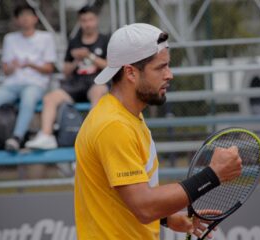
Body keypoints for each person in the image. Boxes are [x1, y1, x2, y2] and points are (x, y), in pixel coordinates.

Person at [74, 23, 242, 239]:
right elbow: (144, 206)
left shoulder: (124, 115)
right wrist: (213, 174)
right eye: (160, 67)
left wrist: (167, 218)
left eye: (168, 66)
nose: (169, 75)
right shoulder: (114, 126)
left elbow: (125, 195)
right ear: (130, 73)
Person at [0, 4, 56, 153]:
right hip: (12, 84)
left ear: (35, 18)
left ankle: (17, 138)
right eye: (21, 16)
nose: (25, 19)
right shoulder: (10, 38)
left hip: (35, 83)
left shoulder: (46, 38)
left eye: (28, 15)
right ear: (16, 20)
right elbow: (6, 70)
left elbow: (49, 68)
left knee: (28, 100)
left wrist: (30, 64)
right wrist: (12, 66)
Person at [25, 6, 109, 150]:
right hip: (75, 84)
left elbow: (110, 66)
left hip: (96, 82)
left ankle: (92, 136)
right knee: (49, 98)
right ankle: (46, 136)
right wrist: (77, 60)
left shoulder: (105, 40)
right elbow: (65, 71)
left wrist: (89, 56)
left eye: (90, 20)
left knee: (99, 92)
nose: (87, 24)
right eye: (84, 20)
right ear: (79, 22)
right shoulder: (74, 41)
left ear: (96, 20)